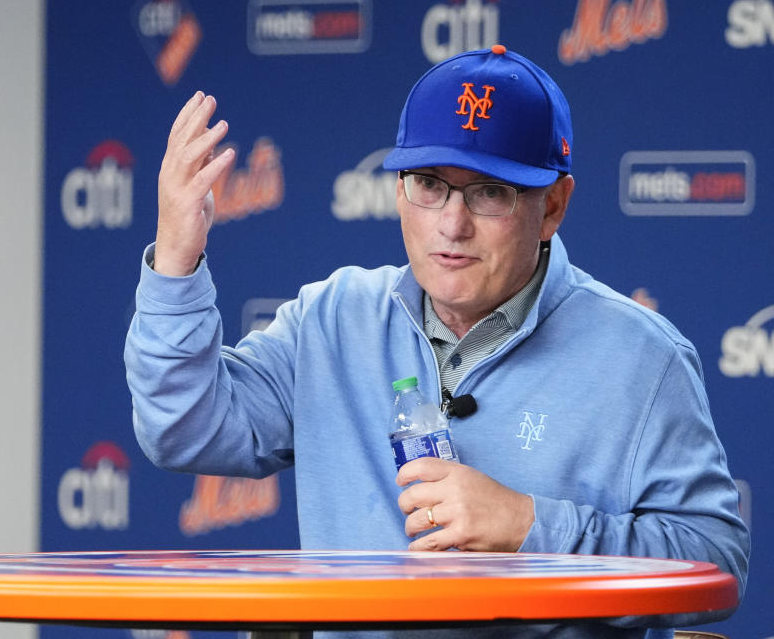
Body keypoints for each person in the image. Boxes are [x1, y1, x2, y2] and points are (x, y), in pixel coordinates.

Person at [125, 46, 749, 638]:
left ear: (553, 206)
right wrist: (177, 258)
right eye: (428, 183)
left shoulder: (644, 358)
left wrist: (530, 526)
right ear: (398, 191)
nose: (452, 224)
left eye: (490, 192)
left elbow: (716, 564)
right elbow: (182, 427)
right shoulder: (334, 319)